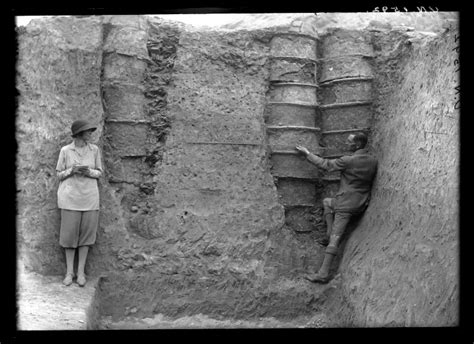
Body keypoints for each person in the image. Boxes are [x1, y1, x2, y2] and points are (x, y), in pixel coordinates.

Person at [295, 132, 377, 283]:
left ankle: (323, 274)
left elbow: (325, 165)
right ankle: (328, 233)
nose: (347, 144)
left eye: (350, 142)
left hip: (345, 206)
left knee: (335, 239)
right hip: (361, 203)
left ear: (357, 144)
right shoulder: (372, 161)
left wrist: (307, 153)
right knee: (327, 202)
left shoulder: (348, 161)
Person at [56, 119, 103, 287]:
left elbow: (99, 172)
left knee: (86, 237)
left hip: (89, 198)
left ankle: (81, 272)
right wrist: (72, 170)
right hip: (69, 199)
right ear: (79, 134)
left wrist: (88, 171)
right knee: (69, 237)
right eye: (87, 132)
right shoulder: (66, 151)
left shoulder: (94, 150)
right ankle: (70, 272)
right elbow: (59, 174)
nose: (90, 134)